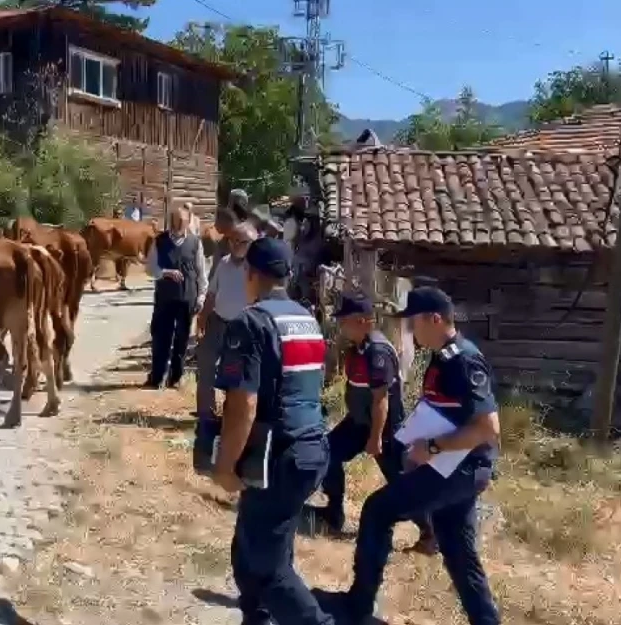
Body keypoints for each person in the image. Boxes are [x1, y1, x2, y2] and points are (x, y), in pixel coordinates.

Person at [339, 286, 501, 625]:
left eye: (414, 323)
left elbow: (488, 428)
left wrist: (432, 448)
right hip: (454, 467)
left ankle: (358, 606)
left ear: (435, 318)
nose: (411, 331)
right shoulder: (443, 357)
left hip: (459, 467)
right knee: (458, 551)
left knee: (377, 510)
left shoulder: (463, 359)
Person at [206, 237, 335, 625]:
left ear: (250, 273)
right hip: (312, 447)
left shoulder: (251, 321)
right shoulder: (306, 319)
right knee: (251, 551)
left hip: (279, 455)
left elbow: (242, 403)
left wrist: (225, 466)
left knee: (269, 569)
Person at [319, 293, 437, 553]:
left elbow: (381, 401)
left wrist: (375, 438)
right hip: (359, 423)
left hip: (385, 430)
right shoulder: (357, 349)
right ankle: (333, 512)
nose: (341, 326)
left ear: (362, 321)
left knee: (401, 483)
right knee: (327, 452)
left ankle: (431, 533)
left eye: (345, 320)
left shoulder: (377, 352)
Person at [195, 218, 256, 421]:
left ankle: (234, 413)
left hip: (244, 328)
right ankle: (206, 412)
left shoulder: (257, 269)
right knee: (206, 365)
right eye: (233, 241)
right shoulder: (223, 263)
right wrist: (202, 318)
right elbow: (212, 293)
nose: (236, 245)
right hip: (218, 321)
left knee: (237, 372)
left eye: (242, 242)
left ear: (252, 243)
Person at [144, 203, 208, 389]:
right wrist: (165, 272)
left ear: (188, 222)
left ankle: (176, 377)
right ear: (171, 220)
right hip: (165, 298)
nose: (179, 224)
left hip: (187, 298)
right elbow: (150, 268)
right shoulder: (160, 241)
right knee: (160, 338)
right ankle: (157, 377)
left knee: (181, 339)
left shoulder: (195, 243)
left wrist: (201, 297)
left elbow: (201, 272)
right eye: (176, 220)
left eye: (183, 221)